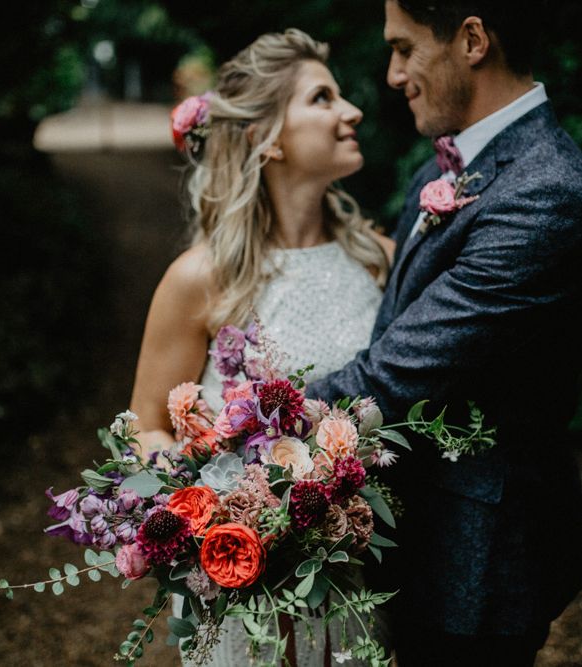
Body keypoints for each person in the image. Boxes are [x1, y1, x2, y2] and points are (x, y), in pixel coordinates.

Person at [307, 2, 582, 665]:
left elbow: (395, 372)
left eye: (404, 48)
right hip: (414, 539)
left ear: (471, 39)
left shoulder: (545, 190)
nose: (393, 73)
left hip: (479, 564)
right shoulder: (439, 171)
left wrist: (256, 427)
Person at [129, 29, 393, 667]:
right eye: (322, 99)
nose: (351, 111)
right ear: (267, 137)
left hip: (356, 579)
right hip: (241, 591)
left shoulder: (381, 262)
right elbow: (146, 426)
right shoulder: (200, 279)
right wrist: (217, 511)